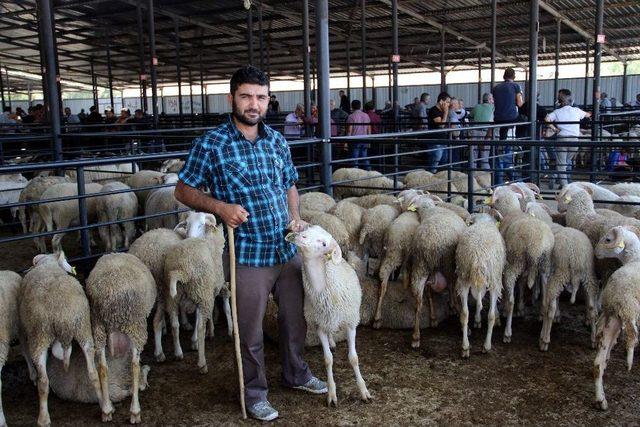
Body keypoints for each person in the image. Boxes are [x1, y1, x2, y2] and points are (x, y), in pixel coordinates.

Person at [173, 66, 326, 422]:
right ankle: (255, 392)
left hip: (286, 247)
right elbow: (182, 189)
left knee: (294, 320)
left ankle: (297, 373)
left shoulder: (276, 140)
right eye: (246, 96)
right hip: (247, 254)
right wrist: (219, 208)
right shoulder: (211, 144)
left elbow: (289, 182)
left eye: (260, 97)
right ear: (231, 99)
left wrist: (295, 215)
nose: (253, 104)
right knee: (250, 329)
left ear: (268, 100)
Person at [545, 90, 591, 189]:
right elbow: (588, 115)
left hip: (562, 139)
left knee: (561, 164)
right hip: (574, 141)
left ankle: (564, 185)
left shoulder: (557, 112)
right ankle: (561, 182)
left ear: (559, 101)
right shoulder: (576, 110)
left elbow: (547, 119)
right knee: (565, 162)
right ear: (572, 100)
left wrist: (554, 129)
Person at [492, 67, 524, 184]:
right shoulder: (516, 86)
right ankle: (522, 142)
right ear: (514, 77)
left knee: (500, 147)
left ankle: (500, 179)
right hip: (511, 118)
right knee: (525, 122)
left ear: (503, 76)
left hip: (498, 119)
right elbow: (520, 103)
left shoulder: (496, 88)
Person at [426, 91, 451, 172]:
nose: (448, 104)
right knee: (434, 163)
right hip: (435, 141)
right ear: (441, 101)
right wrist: (446, 113)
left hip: (442, 140)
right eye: (447, 102)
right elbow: (441, 125)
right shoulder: (433, 110)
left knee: (444, 163)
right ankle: (431, 180)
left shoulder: (441, 112)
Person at [470, 93, 494, 171]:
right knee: (485, 155)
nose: (493, 101)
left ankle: (472, 175)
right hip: (486, 133)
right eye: (492, 99)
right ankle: (486, 176)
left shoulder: (476, 107)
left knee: (473, 154)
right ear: (489, 100)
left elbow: (470, 116)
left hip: (475, 131)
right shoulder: (493, 107)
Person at [346, 99, 371, 169]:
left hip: (355, 139)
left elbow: (349, 130)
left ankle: (356, 174)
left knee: (355, 158)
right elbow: (369, 128)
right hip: (365, 139)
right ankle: (369, 173)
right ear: (360, 106)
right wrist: (369, 139)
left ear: (352, 106)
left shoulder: (351, 116)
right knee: (364, 157)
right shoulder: (366, 115)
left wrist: (346, 141)